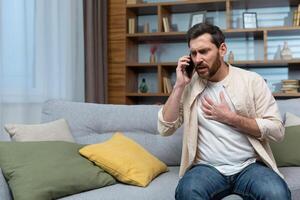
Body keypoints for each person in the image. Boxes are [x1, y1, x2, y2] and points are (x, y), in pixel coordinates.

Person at [157, 23, 291, 200]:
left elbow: (277, 131)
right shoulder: (188, 85)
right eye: (193, 53)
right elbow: (165, 128)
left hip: (249, 166)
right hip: (206, 168)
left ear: (222, 49)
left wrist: (231, 118)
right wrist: (179, 85)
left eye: (204, 51)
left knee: (277, 194)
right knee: (187, 192)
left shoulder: (252, 81)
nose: (197, 60)